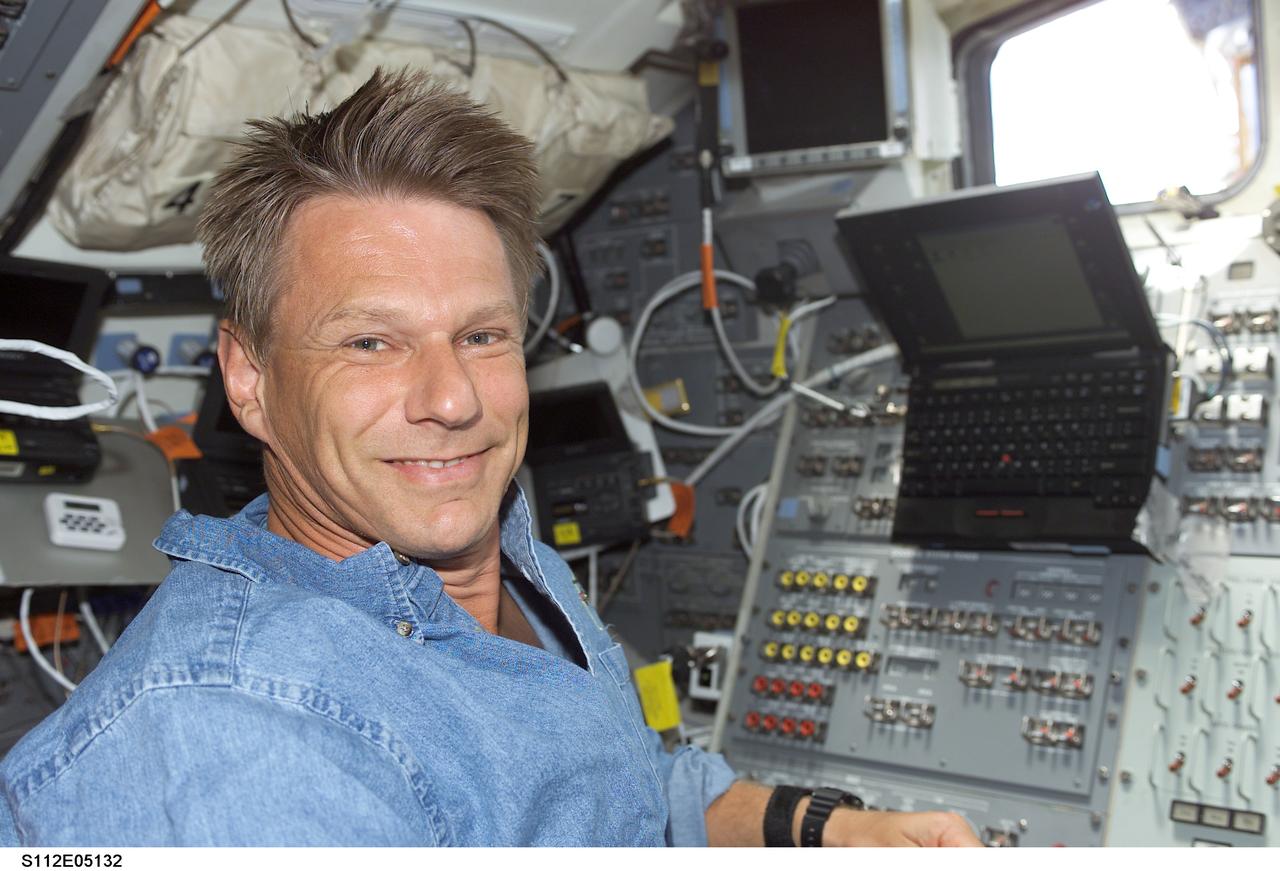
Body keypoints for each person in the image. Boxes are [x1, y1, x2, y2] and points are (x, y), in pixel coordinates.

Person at [0, 69, 980, 847]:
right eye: (370, 343)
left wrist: (827, 827)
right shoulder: (245, 732)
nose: (451, 401)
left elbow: (626, 794)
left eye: (481, 335)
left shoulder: (493, 548)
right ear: (248, 378)